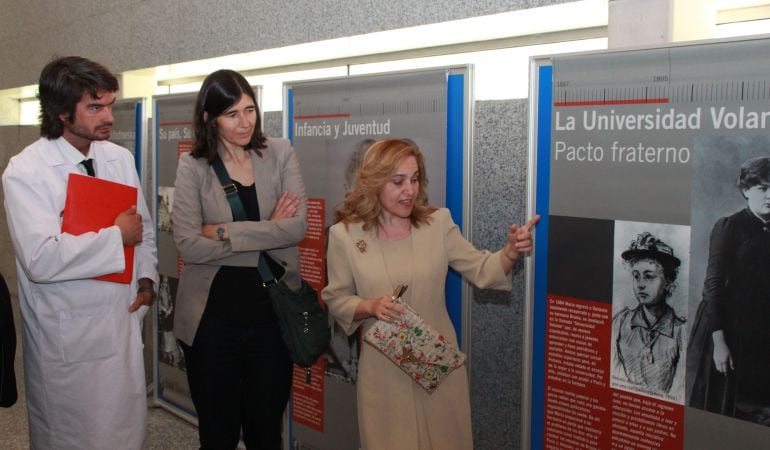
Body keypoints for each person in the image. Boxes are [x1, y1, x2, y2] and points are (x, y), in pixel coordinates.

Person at [322, 138, 538, 450]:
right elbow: (335, 298)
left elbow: (482, 269)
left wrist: (510, 252)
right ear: (374, 182)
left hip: (438, 369)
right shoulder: (344, 236)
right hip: (383, 378)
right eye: (397, 182)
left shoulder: (437, 224)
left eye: (414, 178)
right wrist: (369, 305)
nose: (409, 190)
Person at [1, 56, 158, 449]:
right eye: (95, 107)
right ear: (60, 113)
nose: (108, 116)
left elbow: (145, 230)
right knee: (72, 437)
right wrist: (114, 237)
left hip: (119, 323)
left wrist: (146, 277)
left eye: (109, 105)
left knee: (124, 434)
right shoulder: (26, 171)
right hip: (67, 335)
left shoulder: (118, 158)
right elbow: (39, 259)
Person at [172, 69, 307, 449]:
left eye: (249, 109)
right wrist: (268, 230)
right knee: (218, 435)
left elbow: (296, 228)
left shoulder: (279, 152)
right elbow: (187, 244)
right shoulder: (193, 166)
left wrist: (224, 231)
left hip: (273, 319)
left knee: (266, 434)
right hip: (211, 325)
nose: (245, 122)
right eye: (231, 114)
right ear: (208, 118)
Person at [687, 155, 770, 424]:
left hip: (760, 330)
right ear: (746, 190)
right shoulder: (729, 227)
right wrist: (719, 342)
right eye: (763, 188)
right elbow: (712, 286)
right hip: (725, 328)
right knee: (724, 409)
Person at [611, 232, 685, 397]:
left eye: (649, 276)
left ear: (668, 282)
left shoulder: (681, 331)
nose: (640, 285)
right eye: (636, 276)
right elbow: (613, 374)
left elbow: (679, 389)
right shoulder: (620, 323)